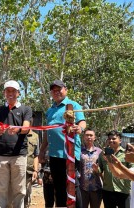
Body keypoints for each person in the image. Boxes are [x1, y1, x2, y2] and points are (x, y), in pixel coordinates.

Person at [38, 79, 86, 208]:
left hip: (69, 153)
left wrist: (80, 128)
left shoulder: (72, 105)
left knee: (72, 185)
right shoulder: (50, 110)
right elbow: (48, 133)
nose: (56, 92)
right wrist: (42, 151)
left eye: (59, 89)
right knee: (58, 187)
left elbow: (82, 121)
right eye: (53, 90)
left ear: (66, 90)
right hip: (54, 154)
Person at [0, 80, 32, 208]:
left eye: (13, 91)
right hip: (0, 155)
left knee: (19, 189)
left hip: (19, 155)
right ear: (4, 93)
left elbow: (26, 127)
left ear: (18, 93)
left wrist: (18, 128)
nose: (10, 93)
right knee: (1, 188)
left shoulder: (26, 109)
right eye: (8, 91)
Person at [96, 130, 134, 208]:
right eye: (109, 139)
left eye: (114, 139)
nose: (111, 140)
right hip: (108, 190)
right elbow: (100, 170)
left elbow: (133, 170)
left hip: (123, 190)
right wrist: (96, 169)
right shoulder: (102, 154)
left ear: (120, 140)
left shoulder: (126, 154)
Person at [79, 128, 102, 208]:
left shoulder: (99, 152)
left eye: (91, 135)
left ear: (94, 137)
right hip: (82, 188)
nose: (89, 137)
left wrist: (97, 170)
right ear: (83, 137)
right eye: (87, 135)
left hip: (96, 188)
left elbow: (103, 170)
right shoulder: (79, 151)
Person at [24, 125, 39, 208]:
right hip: (16, 170)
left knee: (27, 196)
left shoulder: (35, 136)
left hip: (28, 171)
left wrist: (36, 170)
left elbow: (36, 155)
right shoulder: (17, 133)